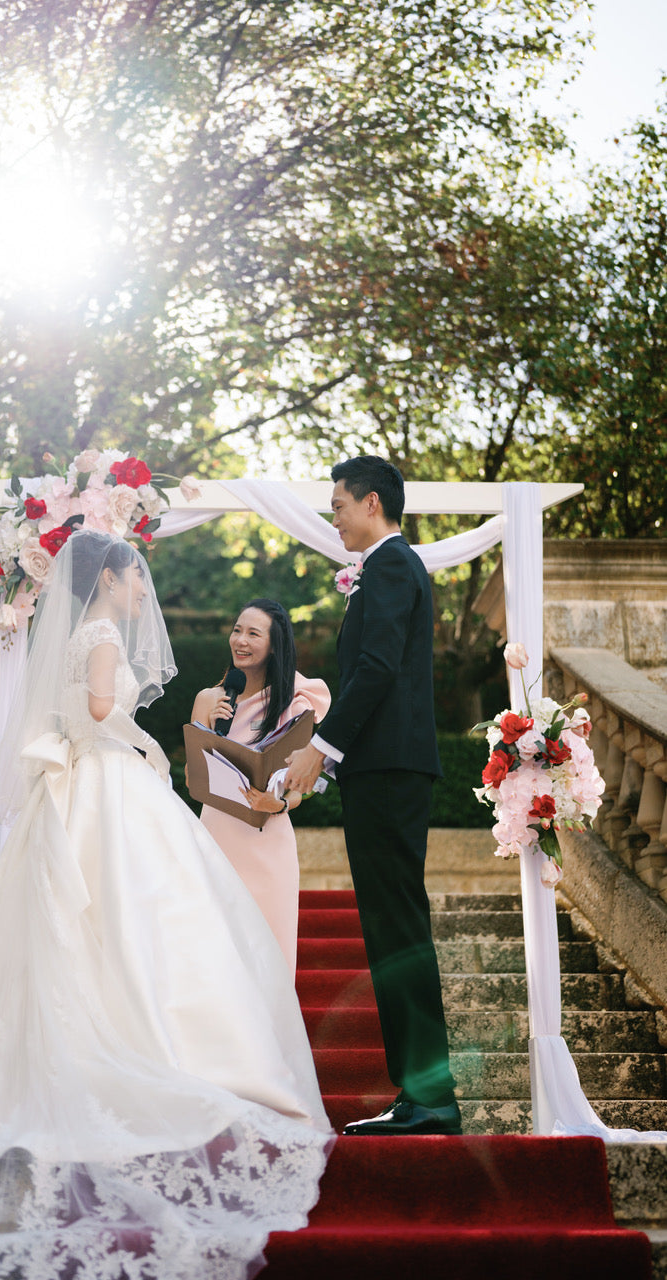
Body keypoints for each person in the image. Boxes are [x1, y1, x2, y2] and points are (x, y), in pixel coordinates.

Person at [0, 530, 332, 1280]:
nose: (142, 591)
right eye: (134, 579)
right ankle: (156, 1044)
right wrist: (141, 741)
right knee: (134, 909)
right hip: (105, 779)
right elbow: (97, 710)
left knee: (87, 917)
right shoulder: (102, 637)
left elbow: (67, 712)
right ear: (111, 580)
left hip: (75, 787)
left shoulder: (74, 636)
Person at [285, 456, 460, 1137]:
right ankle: (419, 1093)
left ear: (371, 504)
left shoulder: (389, 566)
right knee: (391, 929)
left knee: (397, 929)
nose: (332, 517)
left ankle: (430, 1098)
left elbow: (378, 666)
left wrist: (321, 747)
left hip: (387, 770)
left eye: (338, 505)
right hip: (385, 770)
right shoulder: (391, 566)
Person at [190, 599, 330, 973]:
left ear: (274, 644)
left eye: (253, 633)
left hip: (268, 840)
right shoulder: (208, 699)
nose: (241, 640)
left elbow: (299, 787)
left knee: (269, 954)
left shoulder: (293, 704)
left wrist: (278, 804)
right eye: (237, 630)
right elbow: (191, 778)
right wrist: (210, 730)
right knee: (217, 952)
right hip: (216, 837)